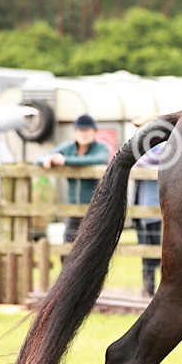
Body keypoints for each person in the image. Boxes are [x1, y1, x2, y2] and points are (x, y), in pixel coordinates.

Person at [40, 113, 110, 264]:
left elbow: (99, 159)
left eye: (87, 130)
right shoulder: (69, 147)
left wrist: (65, 161)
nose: (83, 134)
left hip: (94, 209)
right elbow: (42, 156)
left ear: (94, 132)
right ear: (75, 133)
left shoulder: (101, 148)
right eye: (80, 131)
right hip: (72, 210)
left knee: (90, 251)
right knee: (66, 249)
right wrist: (47, 159)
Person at [133, 142, 164, 297]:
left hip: (156, 210)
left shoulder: (163, 146)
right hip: (141, 211)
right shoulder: (143, 148)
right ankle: (148, 289)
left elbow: (140, 160)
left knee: (160, 253)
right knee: (146, 253)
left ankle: (158, 291)